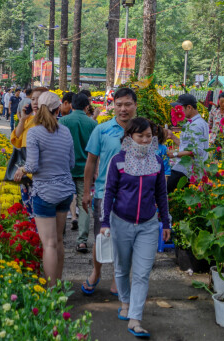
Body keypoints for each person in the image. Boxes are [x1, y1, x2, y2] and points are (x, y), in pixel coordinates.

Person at [101, 118, 170, 338]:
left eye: (149, 135)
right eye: (140, 136)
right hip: (121, 222)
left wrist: (166, 222)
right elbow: (109, 192)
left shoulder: (157, 161)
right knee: (121, 268)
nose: (145, 140)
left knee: (142, 273)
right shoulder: (118, 161)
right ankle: (125, 302)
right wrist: (104, 222)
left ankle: (135, 319)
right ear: (130, 136)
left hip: (148, 225)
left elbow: (161, 194)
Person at [13, 91, 76, 287]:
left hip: (44, 192)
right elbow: (71, 163)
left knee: (48, 243)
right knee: (58, 241)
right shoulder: (65, 131)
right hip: (65, 191)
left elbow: (32, 166)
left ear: (38, 108)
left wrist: (22, 169)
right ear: (58, 109)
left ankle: (50, 291)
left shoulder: (34, 132)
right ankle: (58, 285)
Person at [81, 87, 138, 296]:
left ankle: (118, 276)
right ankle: (96, 273)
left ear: (135, 106)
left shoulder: (143, 130)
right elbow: (90, 162)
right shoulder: (101, 130)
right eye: (119, 104)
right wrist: (86, 192)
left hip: (134, 195)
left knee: (127, 239)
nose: (123, 109)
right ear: (113, 105)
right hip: (105, 193)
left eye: (128, 104)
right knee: (101, 237)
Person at [59, 93, 98, 252]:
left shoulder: (63, 121)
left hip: (65, 169)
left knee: (61, 203)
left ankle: (59, 236)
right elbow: (96, 151)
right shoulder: (92, 123)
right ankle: (82, 240)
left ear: (71, 105)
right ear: (87, 107)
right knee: (85, 205)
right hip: (85, 170)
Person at [11, 87, 48, 217]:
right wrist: (22, 119)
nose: (35, 102)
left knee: (41, 213)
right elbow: (16, 138)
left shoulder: (49, 123)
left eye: (39, 99)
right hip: (25, 173)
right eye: (33, 99)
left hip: (42, 177)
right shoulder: (28, 121)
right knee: (29, 211)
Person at [166, 94, 209, 194]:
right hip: (187, 169)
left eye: (181, 108)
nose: (178, 111)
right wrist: (172, 136)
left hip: (187, 171)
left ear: (189, 107)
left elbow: (196, 150)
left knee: (163, 190)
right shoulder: (197, 122)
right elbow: (187, 146)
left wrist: (175, 154)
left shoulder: (195, 125)